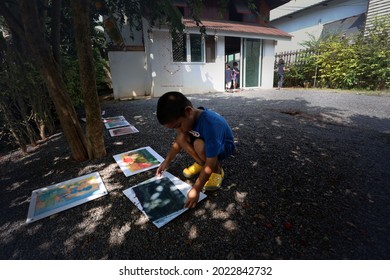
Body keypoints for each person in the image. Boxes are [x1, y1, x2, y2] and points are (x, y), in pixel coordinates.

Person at [156, 91, 236, 208]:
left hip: (223, 147)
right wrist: (166, 162)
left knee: (199, 144)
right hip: (206, 142)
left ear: (188, 111)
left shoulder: (211, 124)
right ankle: (200, 163)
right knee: (181, 137)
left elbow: (210, 161)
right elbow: (178, 143)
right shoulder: (190, 118)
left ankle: (217, 171)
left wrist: (196, 189)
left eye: (178, 125)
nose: (178, 129)